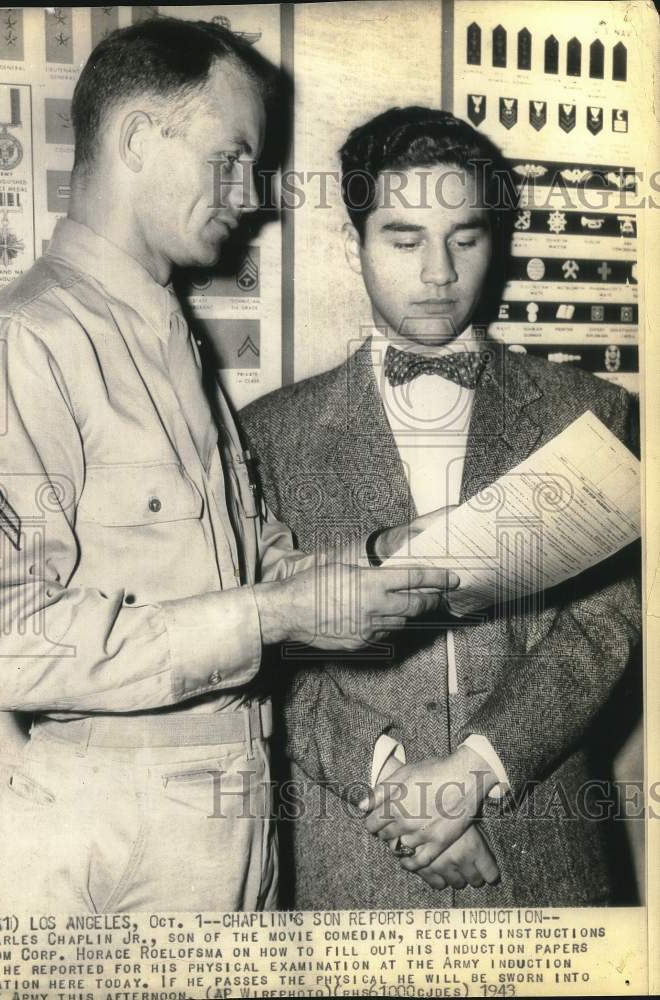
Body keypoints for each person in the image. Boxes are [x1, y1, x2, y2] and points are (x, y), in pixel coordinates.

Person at [0, 28, 454, 914]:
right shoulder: (20, 340)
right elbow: (8, 644)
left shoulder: (167, 331)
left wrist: (361, 571)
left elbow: (245, 561)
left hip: (233, 805)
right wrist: (274, 612)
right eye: (231, 157)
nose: (251, 194)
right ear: (138, 139)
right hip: (118, 828)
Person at [240, 106, 641, 908]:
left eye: (465, 237)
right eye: (403, 237)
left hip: (542, 850)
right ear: (352, 245)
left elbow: (605, 625)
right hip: (357, 857)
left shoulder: (590, 411)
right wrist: (390, 777)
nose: (438, 273)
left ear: (496, 243)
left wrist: (475, 771)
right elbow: (270, 649)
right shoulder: (266, 435)